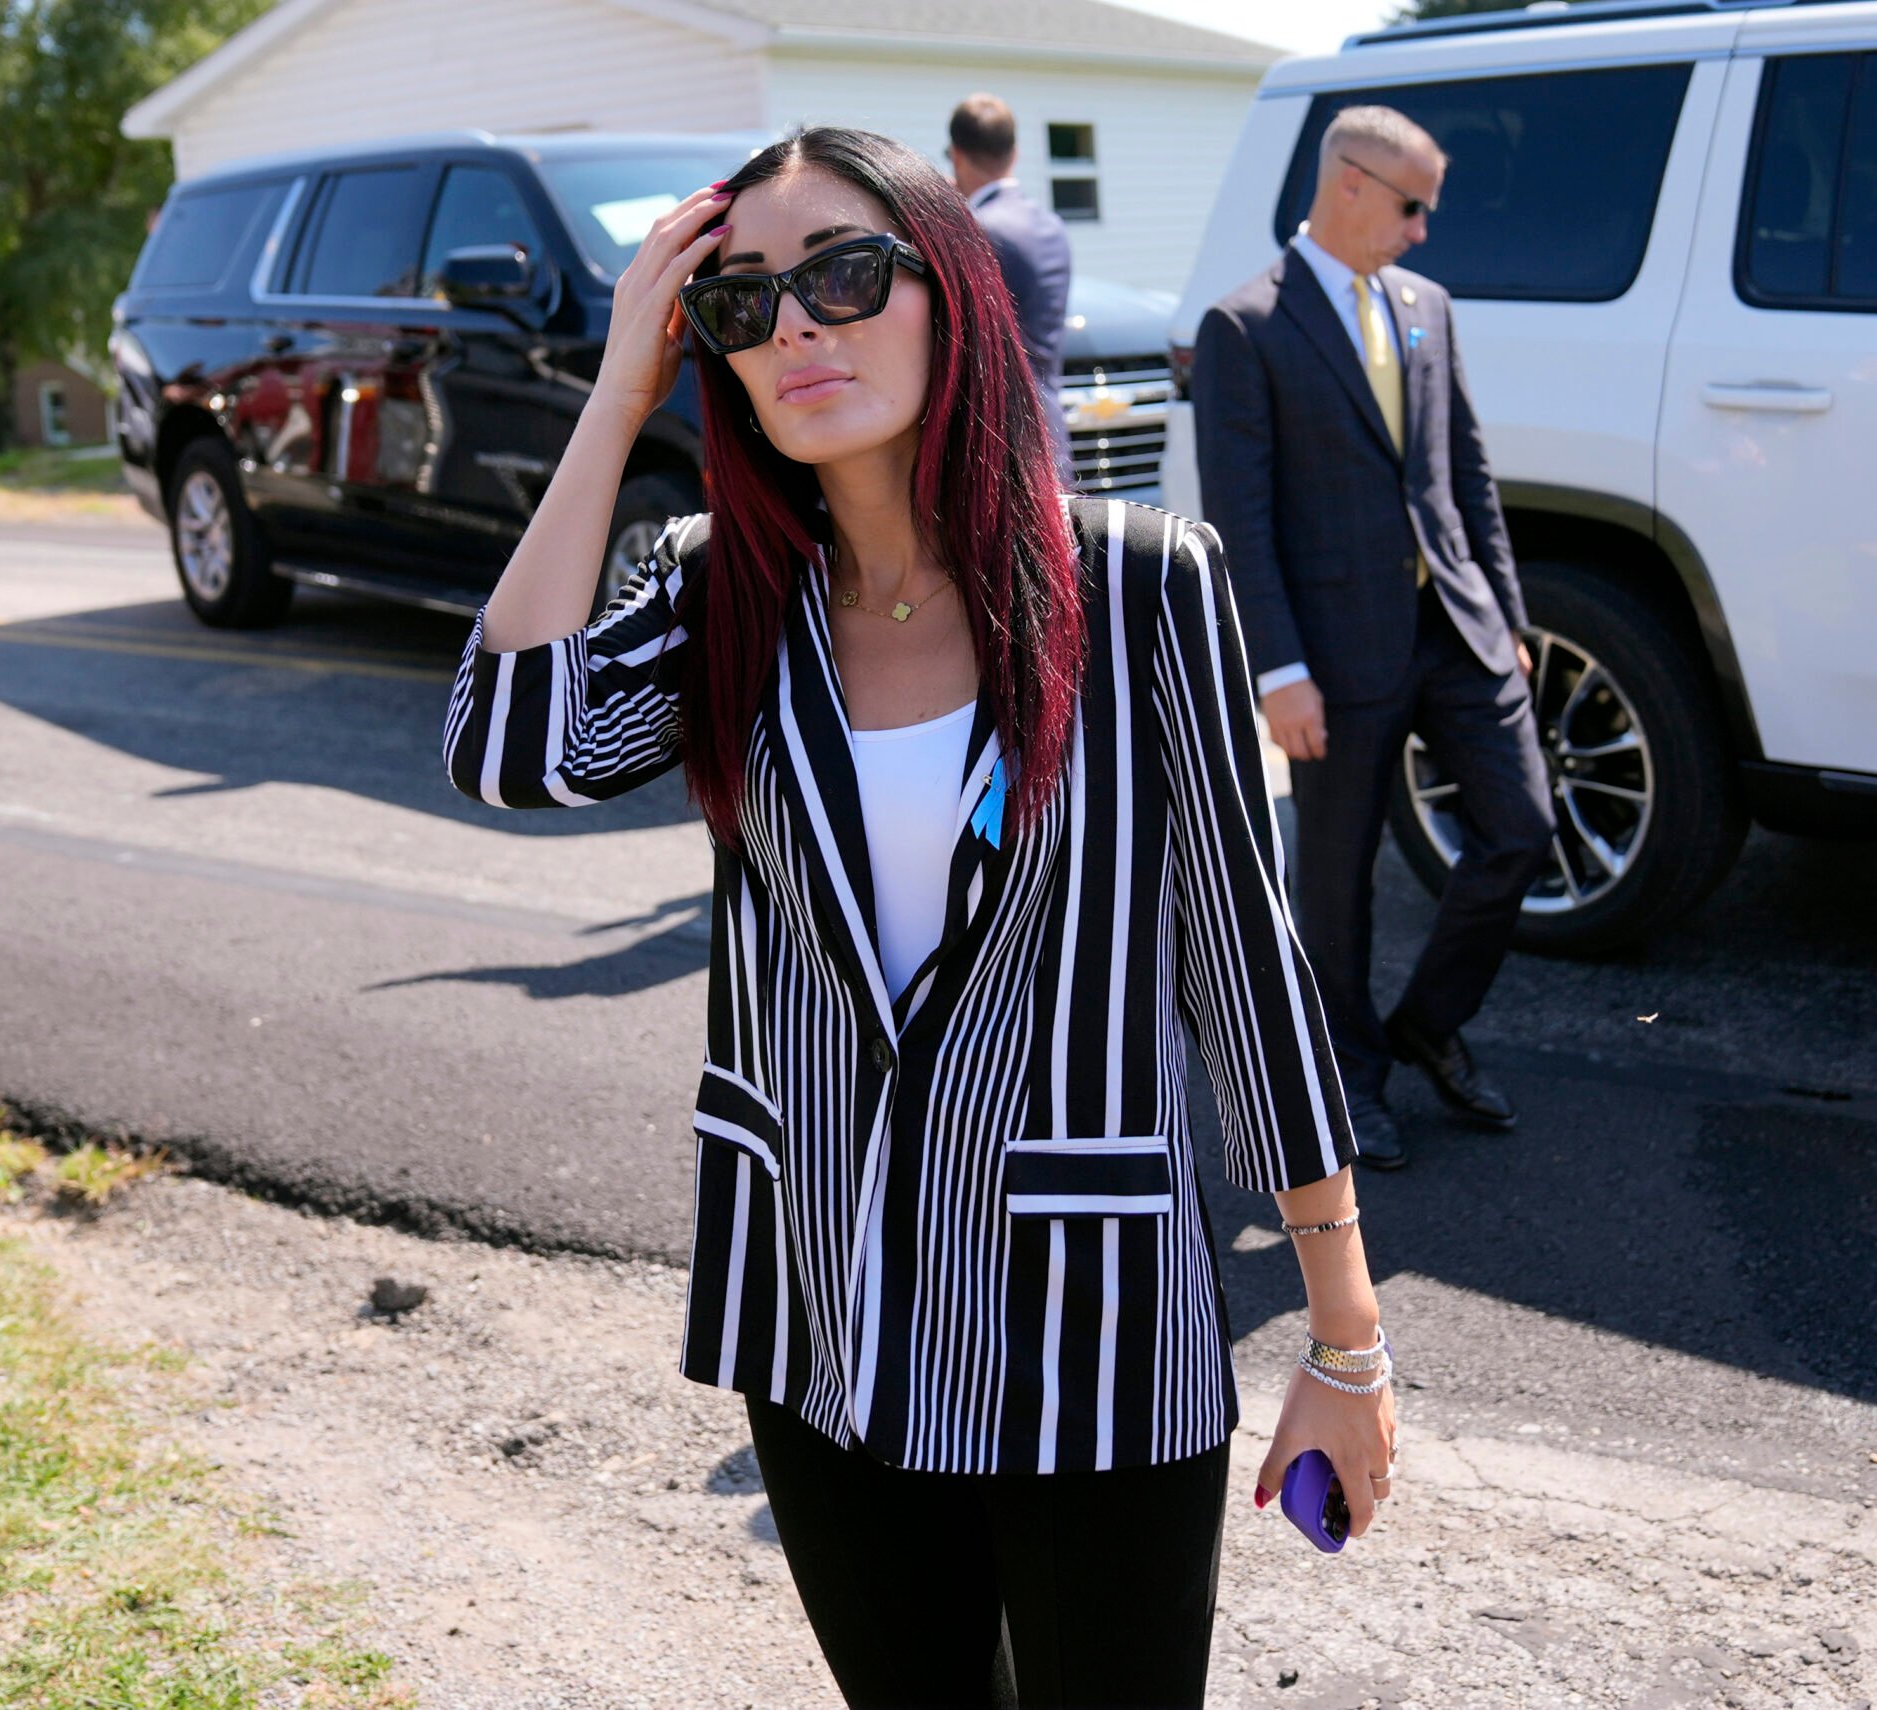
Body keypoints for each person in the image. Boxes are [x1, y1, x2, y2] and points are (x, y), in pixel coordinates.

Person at [443, 126, 1393, 1710]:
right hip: (821, 1324)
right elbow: (506, 743)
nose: (797, 324)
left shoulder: (1143, 584)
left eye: (843, 272)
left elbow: (1247, 968)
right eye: (742, 305)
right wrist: (622, 389)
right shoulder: (718, 593)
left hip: (1087, 1325)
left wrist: (1344, 1339)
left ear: (949, 292)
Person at [1192, 105, 1554, 1169]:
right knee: (1335, 882)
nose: (1422, 230)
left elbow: (1464, 474)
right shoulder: (1245, 325)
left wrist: (1509, 617)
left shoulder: (1427, 307)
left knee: (1521, 828)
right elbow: (1238, 518)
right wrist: (1280, 670)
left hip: (1456, 629)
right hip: (1332, 653)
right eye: (1412, 205)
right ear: (1349, 182)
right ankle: (1347, 1078)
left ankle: (1427, 1028)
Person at [946, 92, 1073, 486]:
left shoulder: (976, 230)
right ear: (1014, 154)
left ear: (956, 155)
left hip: (997, 444)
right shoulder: (1052, 226)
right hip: (1052, 432)